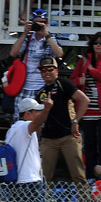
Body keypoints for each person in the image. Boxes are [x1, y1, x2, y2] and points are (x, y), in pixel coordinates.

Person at [69, 32, 101, 180]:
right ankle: (91, 177)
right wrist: (80, 80)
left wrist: (92, 71)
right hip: (87, 110)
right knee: (89, 145)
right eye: (96, 42)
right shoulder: (84, 60)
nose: (98, 45)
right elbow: (72, 81)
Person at [36, 56, 89, 184]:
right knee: (43, 176)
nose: (47, 72)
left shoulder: (64, 84)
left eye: (50, 69)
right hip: (48, 139)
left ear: (57, 71)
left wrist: (76, 122)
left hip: (68, 136)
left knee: (78, 175)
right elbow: (38, 118)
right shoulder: (40, 93)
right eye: (43, 70)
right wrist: (38, 139)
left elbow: (84, 100)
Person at [4, 97, 53, 202]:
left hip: (17, 182)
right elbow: (36, 123)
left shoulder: (12, 129)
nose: (39, 115)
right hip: (28, 182)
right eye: (36, 112)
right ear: (27, 113)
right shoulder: (24, 126)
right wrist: (47, 109)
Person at [8, 8, 63, 121]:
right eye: (36, 22)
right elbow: (13, 53)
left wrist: (46, 35)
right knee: (20, 120)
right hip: (24, 86)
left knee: (41, 121)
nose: (39, 24)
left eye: (42, 22)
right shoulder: (28, 38)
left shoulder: (50, 39)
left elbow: (59, 54)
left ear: (46, 23)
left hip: (42, 87)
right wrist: (25, 33)